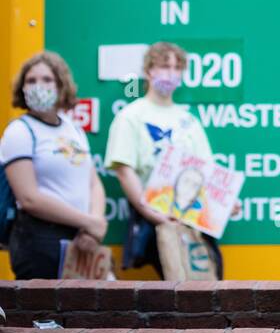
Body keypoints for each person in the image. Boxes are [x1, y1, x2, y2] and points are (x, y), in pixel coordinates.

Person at [105, 41, 219, 278]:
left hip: (192, 222)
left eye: (177, 67)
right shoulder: (130, 116)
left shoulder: (189, 121)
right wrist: (152, 214)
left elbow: (207, 173)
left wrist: (222, 204)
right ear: (149, 70)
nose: (172, 72)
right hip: (153, 222)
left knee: (204, 287)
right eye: (165, 65)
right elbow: (124, 171)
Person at [0, 51, 106, 279]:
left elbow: (94, 183)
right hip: (40, 241)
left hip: (82, 238)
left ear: (61, 85)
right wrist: (88, 222)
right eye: (31, 81)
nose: (39, 86)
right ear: (22, 88)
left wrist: (93, 227)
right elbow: (29, 198)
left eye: (47, 79)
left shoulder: (73, 129)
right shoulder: (19, 131)